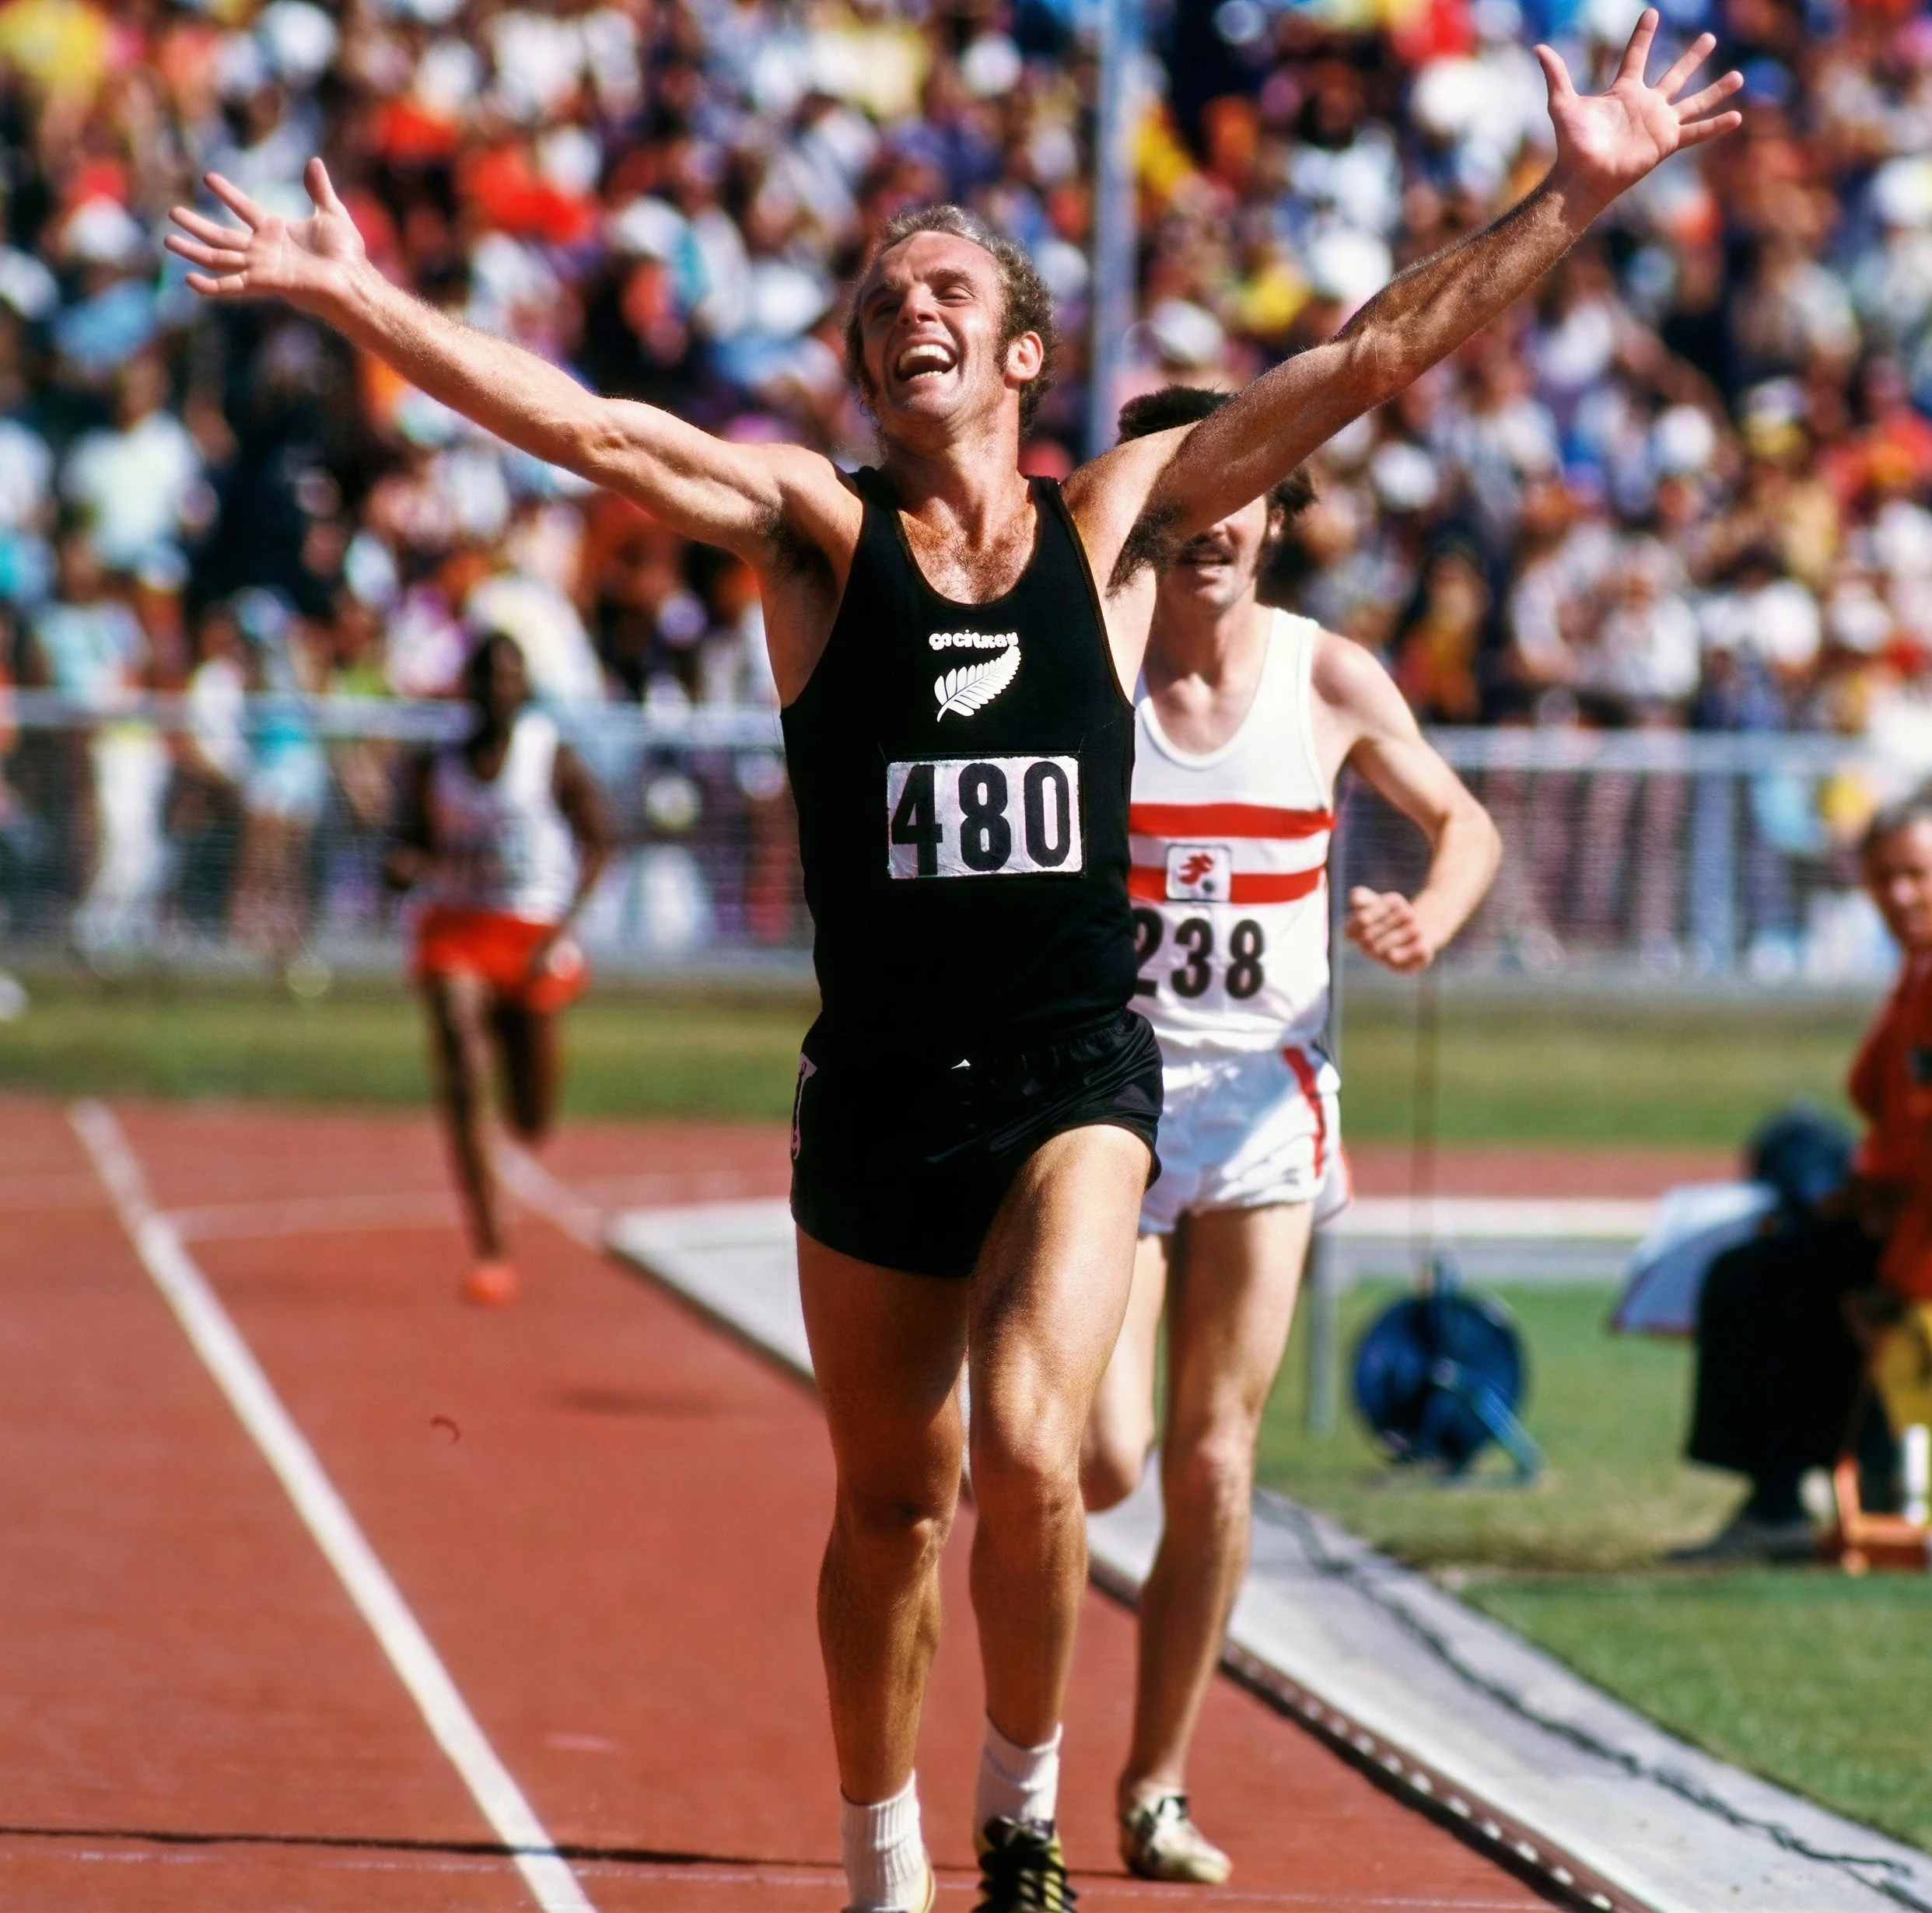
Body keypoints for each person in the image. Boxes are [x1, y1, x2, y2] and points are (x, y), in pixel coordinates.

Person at [166, 26, 1739, 1906]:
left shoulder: (1118, 522)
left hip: (1082, 1071)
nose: (904, 301)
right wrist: (360, 297)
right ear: (867, 363)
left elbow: (1368, 355)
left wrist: (1574, 196)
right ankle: (880, 1848)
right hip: (883, 1096)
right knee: (890, 1505)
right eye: (877, 292)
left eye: (944, 284)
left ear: (1017, 354)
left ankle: (1021, 1809)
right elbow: (586, 427)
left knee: (1032, 1440)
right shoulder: (815, 535)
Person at [1080, 384, 1501, 1884]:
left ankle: (1156, 1784)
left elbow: (1466, 826)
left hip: (1265, 1102)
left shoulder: (1324, 680)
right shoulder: (1099, 668)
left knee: (1215, 1460)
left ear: (1277, 515)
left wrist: (1425, 918)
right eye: (1186, 498)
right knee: (1108, 1456)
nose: (1214, 527)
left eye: (1246, 493)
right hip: (1114, 1100)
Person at [1675, 795, 1932, 1561]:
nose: (1899, 895)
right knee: (1782, 1175)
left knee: (1757, 1279)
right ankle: (1782, 1493)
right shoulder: (1913, 981)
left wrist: (1893, 1290)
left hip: (1918, 1252)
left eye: (1917, 875)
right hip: (1897, 1219)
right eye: (1882, 878)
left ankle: (1780, 1499)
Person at [384, 631, 609, 1306]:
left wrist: (565, 927)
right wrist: (405, 867)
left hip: (532, 930)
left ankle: (525, 1102)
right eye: (485, 678)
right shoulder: (438, 765)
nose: (497, 690)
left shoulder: (551, 757)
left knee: (532, 1116)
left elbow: (601, 840)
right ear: (469, 687)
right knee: (456, 1035)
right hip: (458, 926)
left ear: (524, 687)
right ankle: (490, 1244)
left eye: (509, 678)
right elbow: (406, 847)